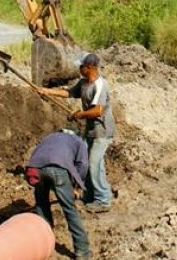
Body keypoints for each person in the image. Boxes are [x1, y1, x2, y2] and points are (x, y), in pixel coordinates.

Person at [38, 52, 115, 212]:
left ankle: (103, 200)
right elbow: (69, 93)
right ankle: (90, 195)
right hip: (90, 130)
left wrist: (79, 114)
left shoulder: (100, 85)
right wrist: (47, 91)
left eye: (81, 66)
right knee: (86, 162)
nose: (79, 69)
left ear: (90, 67)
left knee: (94, 164)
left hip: (102, 132)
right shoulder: (84, 83)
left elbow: (98, 111)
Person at [26, 130, 92, 260]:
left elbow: (37, 154)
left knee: (41, 205)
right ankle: (82, 251)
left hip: (35, 168)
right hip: (57, 169)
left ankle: (45, 242)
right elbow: (83, 165)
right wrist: (76, 185)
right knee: (69, 209)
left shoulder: (49, 137)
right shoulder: (78, 141)